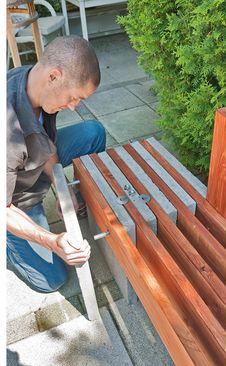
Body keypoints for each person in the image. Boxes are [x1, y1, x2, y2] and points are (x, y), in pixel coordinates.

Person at [7, 35, 106, 293]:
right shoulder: (7, 132)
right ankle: (10, 243)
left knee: (93, 133)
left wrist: (64, 189)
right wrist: (52, 241)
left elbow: (45, 140)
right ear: (54, 76)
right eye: (74, 97)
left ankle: (83, 202)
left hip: (29, 165)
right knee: (52, 279)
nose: (73, 107)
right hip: (15, 200)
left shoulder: (33, 82)